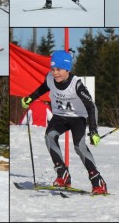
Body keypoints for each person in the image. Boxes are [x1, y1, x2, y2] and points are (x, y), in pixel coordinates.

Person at [21, 50, 107, 195]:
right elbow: (44, 87)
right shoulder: (50, 77)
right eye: (53, 69)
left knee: (79, 146)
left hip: (77, 117)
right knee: (49, 136)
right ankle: (63, 174)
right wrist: (30, 97)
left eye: (59, 69)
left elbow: (91, 106)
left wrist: (93, 130)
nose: (55, 73)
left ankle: (97, 181)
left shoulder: (76, 84)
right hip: (60, 116)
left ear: (67, 69)